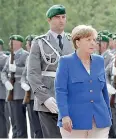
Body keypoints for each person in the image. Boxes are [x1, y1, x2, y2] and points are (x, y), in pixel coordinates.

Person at [55, 25, 112, 138]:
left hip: (100, 119)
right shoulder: (66, 62)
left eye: (94, 40)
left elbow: (104, 90)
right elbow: (60, 91)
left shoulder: (99, 61)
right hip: (74, 121)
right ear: (78, 43)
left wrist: (108, 114)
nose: (93, 43)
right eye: (88, 40)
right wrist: (64, 116)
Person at [27, 4, 74, 138]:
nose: (61, 20)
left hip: (69, 98)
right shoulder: (39, 42)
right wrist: (44, 98)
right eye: (57, 17)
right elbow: (32, 74)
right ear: (49, 20)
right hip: (48, 100)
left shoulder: (72, 41)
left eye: (63, 17)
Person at [1, 35, 29, 138]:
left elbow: (28, 70)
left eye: (12, 42)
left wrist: (16, 69)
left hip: (20, 91)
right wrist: (5, 82)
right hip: (10, 91)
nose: (9, 44)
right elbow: (4, 72)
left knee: (20, 121)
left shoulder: (25, 55)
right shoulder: (9, 56)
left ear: (18, 43)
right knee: (14, 122)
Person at [21, 35, 43, 138]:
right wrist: (24, 83)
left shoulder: (42, 56)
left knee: (41, 127)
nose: (26, 45)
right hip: (30, 96)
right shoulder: (29, 57)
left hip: (40, 96)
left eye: (27, 43)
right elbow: (25, 75)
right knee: (34, 126)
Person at [0, 39, 10, 138]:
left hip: (2, 92)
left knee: (3, 116)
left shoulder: (4, 58)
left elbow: (5, 73)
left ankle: (3, 136)